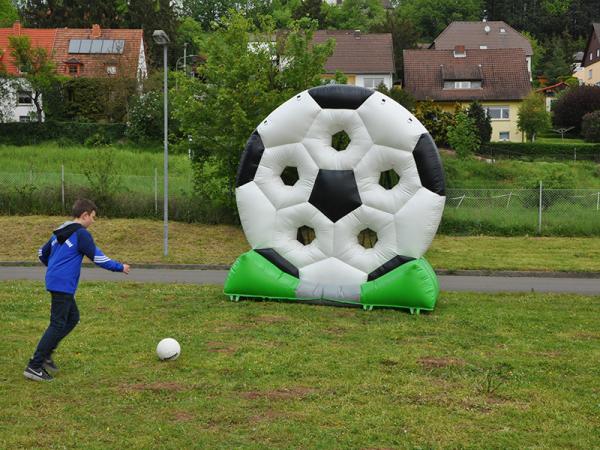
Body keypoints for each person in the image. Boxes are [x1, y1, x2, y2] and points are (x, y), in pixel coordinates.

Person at [24, 199, 130, 381]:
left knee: (73, 318)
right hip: (62, 283)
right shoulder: (81, 234)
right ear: (85, 215)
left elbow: (41, 253)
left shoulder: (60, 231)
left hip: (57, 280)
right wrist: (120, 267)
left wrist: (54, 267)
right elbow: (98, 258)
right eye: (93, 218)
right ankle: (34, 365)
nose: (93, 222)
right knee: (57, 324)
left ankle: (46, 353)